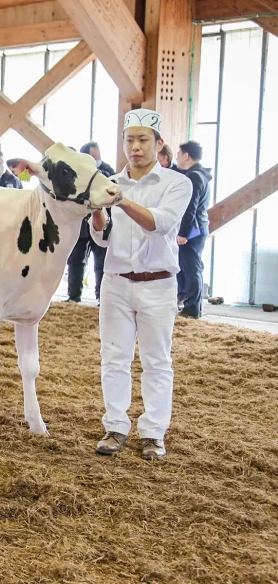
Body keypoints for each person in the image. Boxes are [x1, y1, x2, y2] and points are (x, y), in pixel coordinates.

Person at [90, 109, 192, 461]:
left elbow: (160, 224)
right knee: (113, 358)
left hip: (158, 284)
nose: (135, 146)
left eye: (143, 140)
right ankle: (116, 426)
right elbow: (103, 240)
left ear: (159, 144)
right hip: (116, 281)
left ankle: (153, 432)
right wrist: (97, 212)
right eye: (129, 140)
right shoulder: (112, 182)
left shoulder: (176, 183)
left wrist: (118, 199)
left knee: (156, 361)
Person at [66, 142, 116, 303]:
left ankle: (102, 297)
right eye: (94, 155)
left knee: (101, 262)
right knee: (76, 260)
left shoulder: (108, 171)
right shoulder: (75, 173)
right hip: (80, 224)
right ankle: (74, 296)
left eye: (98, 154)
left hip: (101, 222)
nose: (97, 157)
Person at [172, 141, 211, 319]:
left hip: (193, 230)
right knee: (190, 267)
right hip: (198, 228)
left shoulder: (194, 177)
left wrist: (182, 233)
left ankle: (193, 309)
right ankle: (191, 306)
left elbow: (190, 208)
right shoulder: (201, 174)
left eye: (179, 154)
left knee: (192, 268)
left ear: (186, 155)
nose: (177, 158)